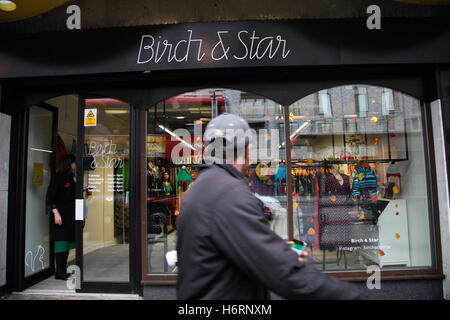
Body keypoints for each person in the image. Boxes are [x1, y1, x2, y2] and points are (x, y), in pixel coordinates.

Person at [176, 113, 370, 300]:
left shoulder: (202, 187)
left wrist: (274, 248)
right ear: (246, 149)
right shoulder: (228, 193)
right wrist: (350, 296)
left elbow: (235, 248)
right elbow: (284, 274)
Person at [46, 154, 76, 280]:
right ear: (69, 163)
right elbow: (50, 197)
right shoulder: (58, 177)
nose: (75, 165)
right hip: (61, 217)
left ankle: (62, 271)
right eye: (73, 162)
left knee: (66, 244)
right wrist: (56, 213)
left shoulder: (70, 176)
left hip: (68, 217)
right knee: (61, 244)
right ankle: (59, 272)